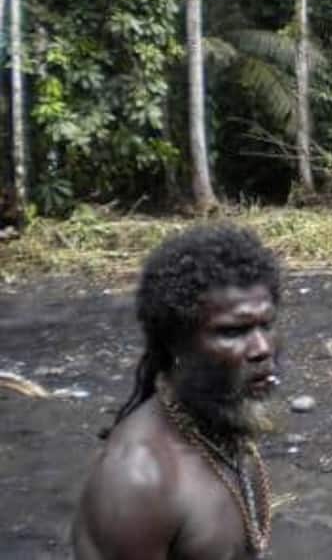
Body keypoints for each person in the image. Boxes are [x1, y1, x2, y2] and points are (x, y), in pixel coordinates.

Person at [72, 225, 283, 560]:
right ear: (174, 341)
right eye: (233, 331)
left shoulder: (222, 428)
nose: (261, 348)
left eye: (266, 325)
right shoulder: (139, 481)